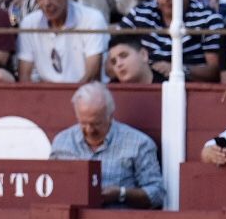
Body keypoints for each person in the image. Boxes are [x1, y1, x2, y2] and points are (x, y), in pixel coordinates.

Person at [48, 81, 164, 209]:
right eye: (83, 123)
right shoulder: (62, 142)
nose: (89, 130)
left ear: (110, 116)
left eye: (96, 123)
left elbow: (157, 193)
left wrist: (121, 194)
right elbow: (50, 187)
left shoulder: (139, 143)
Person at [119, 0, 226, 80]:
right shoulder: (138, 14)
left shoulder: (209, 19)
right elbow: (113, 56)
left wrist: (179, 69)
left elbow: (215, 70)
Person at [17, 0, 108, 84]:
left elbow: (92, 75)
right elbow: (24, 76)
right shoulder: (29, 24)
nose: (46, 2)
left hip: (86, 95)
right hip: (47, 96)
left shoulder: (92, 19)